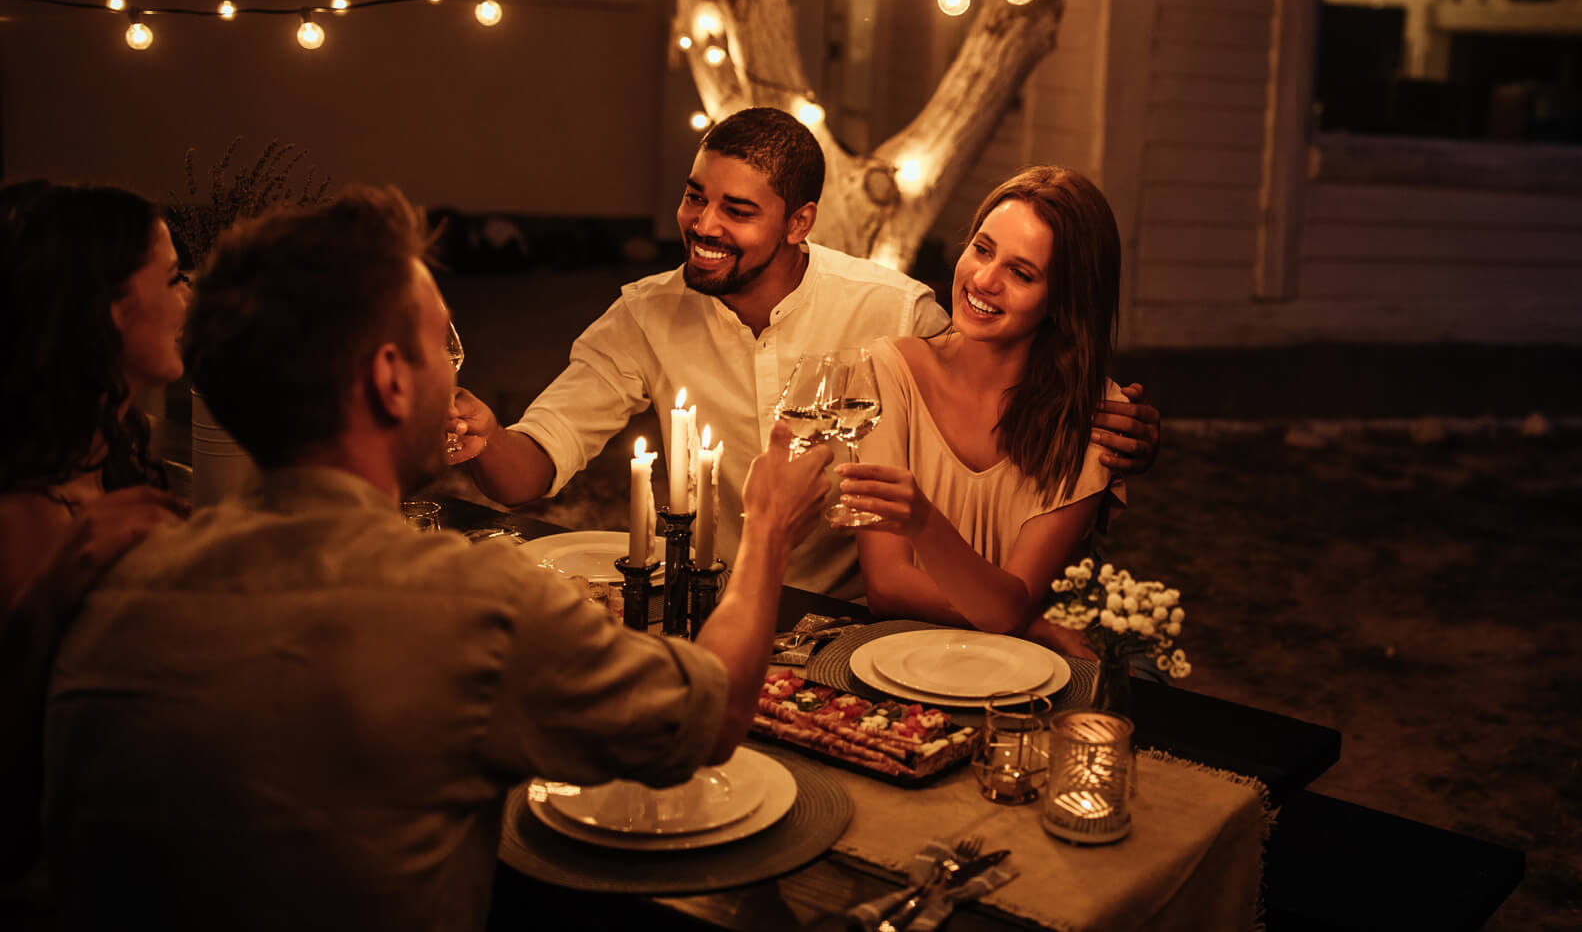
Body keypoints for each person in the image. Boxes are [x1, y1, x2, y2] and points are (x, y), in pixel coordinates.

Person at [42, 186, 831, 931]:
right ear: (391, 380)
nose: (456, 367)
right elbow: (710, 717)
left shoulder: (120, 584)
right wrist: (766, 528)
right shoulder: (471, 604)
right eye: (440, 344)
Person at [447, 107, 1161, 598]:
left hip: (854, 614)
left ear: (799, 222)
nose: (703, 225)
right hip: (710, 599)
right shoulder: (646, 314)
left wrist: (1115, 422)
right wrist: (485, 437)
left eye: (737, 210)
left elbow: (993, 387)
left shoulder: (893, 311)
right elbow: (529, 472)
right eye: (695, 198)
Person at [837, 167, 1123, 654]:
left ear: (1063, 301)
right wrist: (1034, 626)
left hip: (1030, 675)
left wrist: (923, 523)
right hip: (909, 656)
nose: (984, 279)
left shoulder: (1095, 416)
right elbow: (887, 588)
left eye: (1021, 273)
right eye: (982, 249)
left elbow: (1009, 607)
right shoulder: (890, 371)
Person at [0, 182, 191, 885]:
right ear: (110, 312)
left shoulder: (117, 458)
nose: (189, 297)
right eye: (173, 278)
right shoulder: (20, 523)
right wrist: (48, 601)